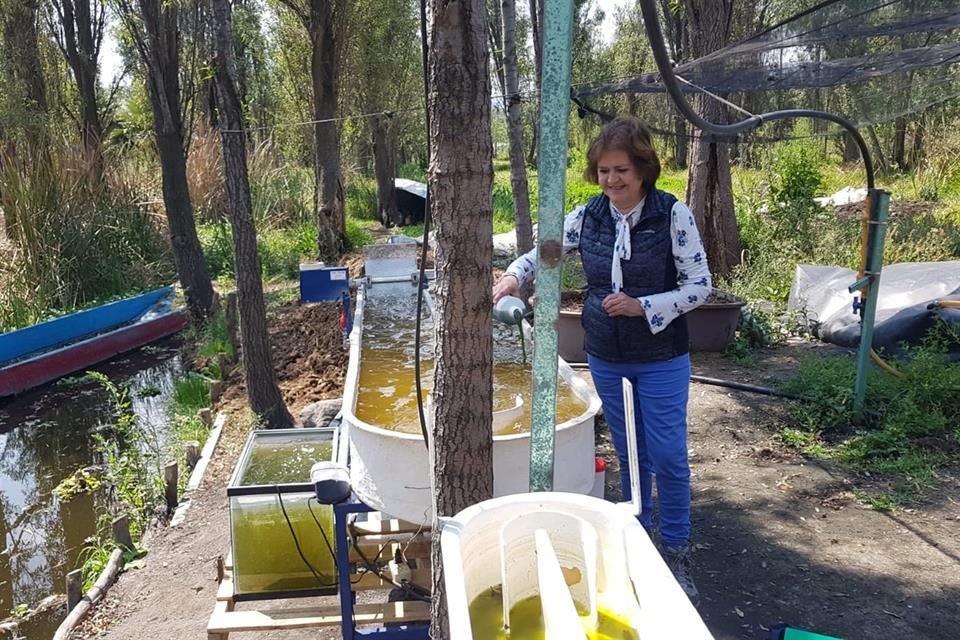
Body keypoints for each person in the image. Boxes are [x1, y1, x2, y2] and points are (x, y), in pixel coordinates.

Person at [492, 116, 710, 604]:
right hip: (606, 355)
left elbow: (700, 287)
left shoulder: (672, 215)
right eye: (604, 171)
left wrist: (643, 306)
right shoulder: (588, 216)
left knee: (669, 456)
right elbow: (543, 252)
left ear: (643, 170)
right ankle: (635, 537)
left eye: (622, 171)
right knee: (630, 452)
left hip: (660, 355)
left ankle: (676, 548)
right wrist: (512, 277)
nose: (612, 180)